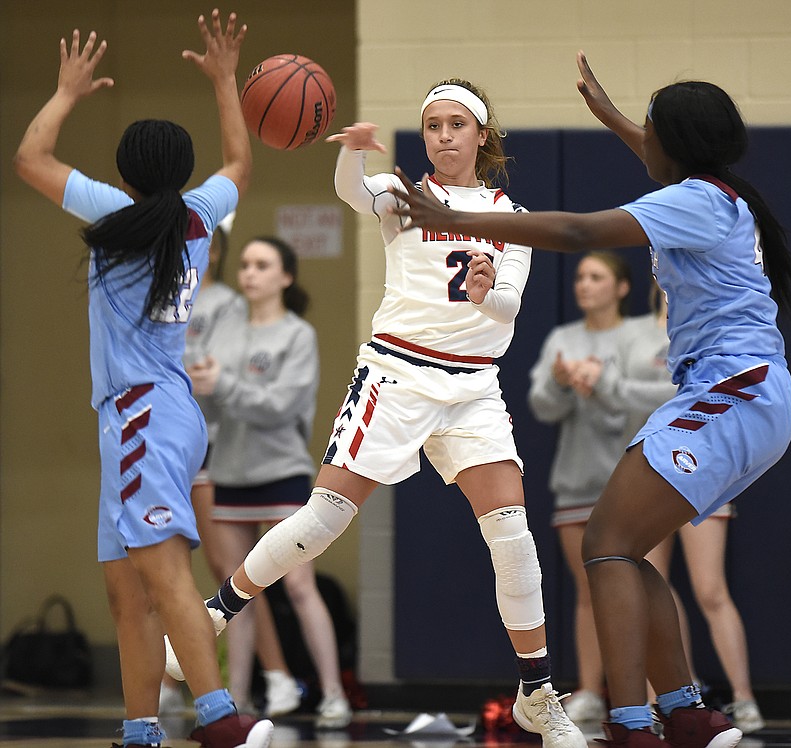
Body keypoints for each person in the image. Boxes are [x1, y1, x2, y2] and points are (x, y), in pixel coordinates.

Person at [390, 52, 791, 748]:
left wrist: (456, 217)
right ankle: (688, 713)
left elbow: (579, 232)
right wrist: (611, 116)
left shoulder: (695, 199)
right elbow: (658, 155)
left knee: (606, 544)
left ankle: (633, 722)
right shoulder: (715, 193)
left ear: (677, 144)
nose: (643, 137)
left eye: (649, 128)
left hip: (734, 391)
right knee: (624, 550)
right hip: (746, 396)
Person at [166, 78, 587, 748]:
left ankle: (537, 692)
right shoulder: (403, 192)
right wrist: (354, 155)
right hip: (396, 374)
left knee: (514, 537)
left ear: (482, 134)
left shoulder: (512, 216)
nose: (443, 136)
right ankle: (217, 610)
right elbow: (352, 194)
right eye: (432, 125)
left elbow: (508, 308)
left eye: (456, 124)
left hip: (473, 386)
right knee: (324, 518)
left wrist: (485, 296)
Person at [13, 11, 274, 748]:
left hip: (141, 418)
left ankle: (219, 717)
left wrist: (65, 92)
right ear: (181, 172)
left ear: (126, 171)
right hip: (160, 415)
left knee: (163, 580)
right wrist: (226, 80)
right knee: (127, 590)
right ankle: (140, 728)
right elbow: (241, 166)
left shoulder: (116, 210)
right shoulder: (199, 214)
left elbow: (30, 158)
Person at [186, 235, 351, 728]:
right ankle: (235, 700)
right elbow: (213, 406)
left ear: (285, 276)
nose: (250, 273)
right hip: (231, 472)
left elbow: (282, 405)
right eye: (247, 265)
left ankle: (334, 694)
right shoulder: (225, 329)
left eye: (262, 265)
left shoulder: (298, 334)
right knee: (236, 590)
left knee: (299, 585)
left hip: (282, 472)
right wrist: (203, 388)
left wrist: (227, 386)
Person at [593, 282, 765, 734]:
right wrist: (596, 385)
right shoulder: (630, 332)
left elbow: (697, 395)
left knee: (711, 590)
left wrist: (618, 386)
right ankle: (670, 704)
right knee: (643, 576)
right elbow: (610, 398)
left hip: (701, 461)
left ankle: (743, 697)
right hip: (649, 465)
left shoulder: (710, 324)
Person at [528, 251, 633, 722]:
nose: (584, 285)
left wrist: (604, 381)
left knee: (643, 587)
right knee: (587, 591)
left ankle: (650, 697)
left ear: (622, 287)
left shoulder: (645, 333)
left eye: (597, 276)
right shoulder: (562, 339)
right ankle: (591, 690)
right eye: (580, 277)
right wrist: (560, 383)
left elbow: (657, 400)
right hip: (577, 482)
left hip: (634, 483)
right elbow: (542, 407)